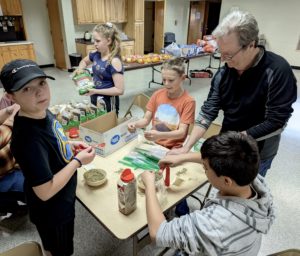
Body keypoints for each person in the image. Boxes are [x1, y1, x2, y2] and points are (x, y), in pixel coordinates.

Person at [167, 10, 297, 177]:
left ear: (251, 44)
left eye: (228, 54)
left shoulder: (277, 71)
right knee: (223, 188)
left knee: (244, 197)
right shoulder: (223, 74)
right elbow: (208, 112)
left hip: (257, 153)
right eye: (220, 52)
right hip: (227, 146)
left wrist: (234, 139)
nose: (222, 60)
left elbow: (277, 121)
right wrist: (186, 148)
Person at [0, 59, 96, 256]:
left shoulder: (41, 111)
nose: (39, 92)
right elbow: (45, 191)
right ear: (11, 97)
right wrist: (77, 162)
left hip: (62, 199)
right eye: (26, 88)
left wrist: (68, 145)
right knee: (59, 250)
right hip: (52, 211)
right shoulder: (27, 139)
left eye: (42, 83)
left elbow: (51, 140)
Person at [142, 131, 275, 256]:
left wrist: (149, 186)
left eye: (205, 168)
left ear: (226, 181)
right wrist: (182, 157)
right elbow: (216, 159)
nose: (203, 168)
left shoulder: (216, 224)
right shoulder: (254, 180)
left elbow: (158, 232)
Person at [127, 57, 196, 150]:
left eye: (171, 80)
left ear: (183, 78)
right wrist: (135, 124)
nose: (166, 84)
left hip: (173, 148)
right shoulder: (157, 94)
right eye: (164, 80)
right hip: (153, 143)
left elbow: (182, 132)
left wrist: (159, 135)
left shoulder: (188, 101)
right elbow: (146, 120)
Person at [75, 22, 124, 116]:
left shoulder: (114, 61)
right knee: (98, 123)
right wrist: (80, 69)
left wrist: (95, 91)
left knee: (108, 126)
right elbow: (84, 62)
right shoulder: (96, 54)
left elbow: (119, 90)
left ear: (108, 41)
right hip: (94, 96)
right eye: (94, 41)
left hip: (108, 102)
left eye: (98, 41)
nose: (95, 44)